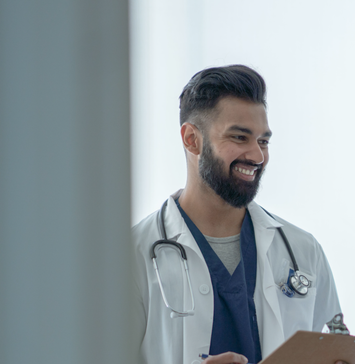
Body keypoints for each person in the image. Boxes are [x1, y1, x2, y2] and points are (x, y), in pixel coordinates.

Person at [131, 65, 342, 364]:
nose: (257, 156)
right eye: (240, 137)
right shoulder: (131, 257)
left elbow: (336, 342)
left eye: (263, 141)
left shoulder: (303, 250)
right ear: (192, 139)